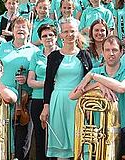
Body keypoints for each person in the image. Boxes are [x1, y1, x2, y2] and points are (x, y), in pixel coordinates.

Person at [71, 35, 125, 160]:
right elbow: (73, 95)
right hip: (102, 132)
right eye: (107, 50)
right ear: (103, 52)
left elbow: (122, 87)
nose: (111, 54)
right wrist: (98, 85)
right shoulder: (96, 72)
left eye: (115, 50)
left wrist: (95, 77)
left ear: (121, 52)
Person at [40, 17, 93, 159]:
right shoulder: (53, 56)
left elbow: (89, 82)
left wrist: (88, 106)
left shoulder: (84, 55)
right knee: (61, 146)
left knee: (81, 144)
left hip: (78, 103)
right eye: (66, 31)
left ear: (77, 33)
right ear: (61, 35)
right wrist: (46, 106)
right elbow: (48, 83)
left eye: (72, 31)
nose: (70, 34)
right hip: (58, 102)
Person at [0, 17, 39, 160]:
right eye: (17, 27)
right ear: (12, 31)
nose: (20, 29)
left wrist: (27, 78)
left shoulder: (35, 51)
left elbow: (39, 73)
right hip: (3, 97)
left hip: (24, 100)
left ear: (29, 31)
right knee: (2, 135)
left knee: (23, 140)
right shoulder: (2, 47)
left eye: (24, 27)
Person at [28, 24, 59, 160]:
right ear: (40, 39)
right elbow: (30, 81)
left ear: (56, 37)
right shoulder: (36, 55)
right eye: (44, 36)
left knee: (56, 138)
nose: (48, 38)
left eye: (51, 35)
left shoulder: (62, 54)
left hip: (57, 100)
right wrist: (48, 84)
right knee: (40, 138)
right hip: (38, 100)